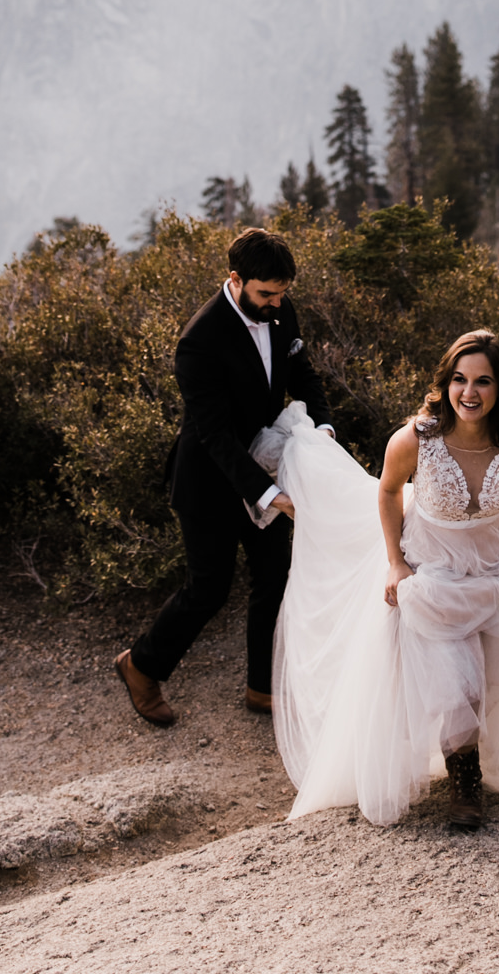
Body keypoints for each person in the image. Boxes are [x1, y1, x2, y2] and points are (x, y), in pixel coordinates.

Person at [267, 329, 499, 829]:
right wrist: (396, 562)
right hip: (432, 569)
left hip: (493, 564)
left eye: (483, 381)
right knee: (458, 681)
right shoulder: (418, 438)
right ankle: (465, 780)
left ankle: (476, 759)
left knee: (494, 671)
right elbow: (389, 492)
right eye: (459, 380)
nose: (469, 393)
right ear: (445, 383)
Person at [114, 226, 334, 726]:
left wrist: (322, 428)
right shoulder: (198, 342)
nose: (277, 304)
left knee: (273, 577)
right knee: (208, 588)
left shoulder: (280, 308)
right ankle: (141, 665)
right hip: (209, 479)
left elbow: (304, 376)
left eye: (282, 293)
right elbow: (215, 438)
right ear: (235, 279)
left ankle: (262, 687)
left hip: (267, 461)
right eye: (265, 294)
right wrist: (274, 496)